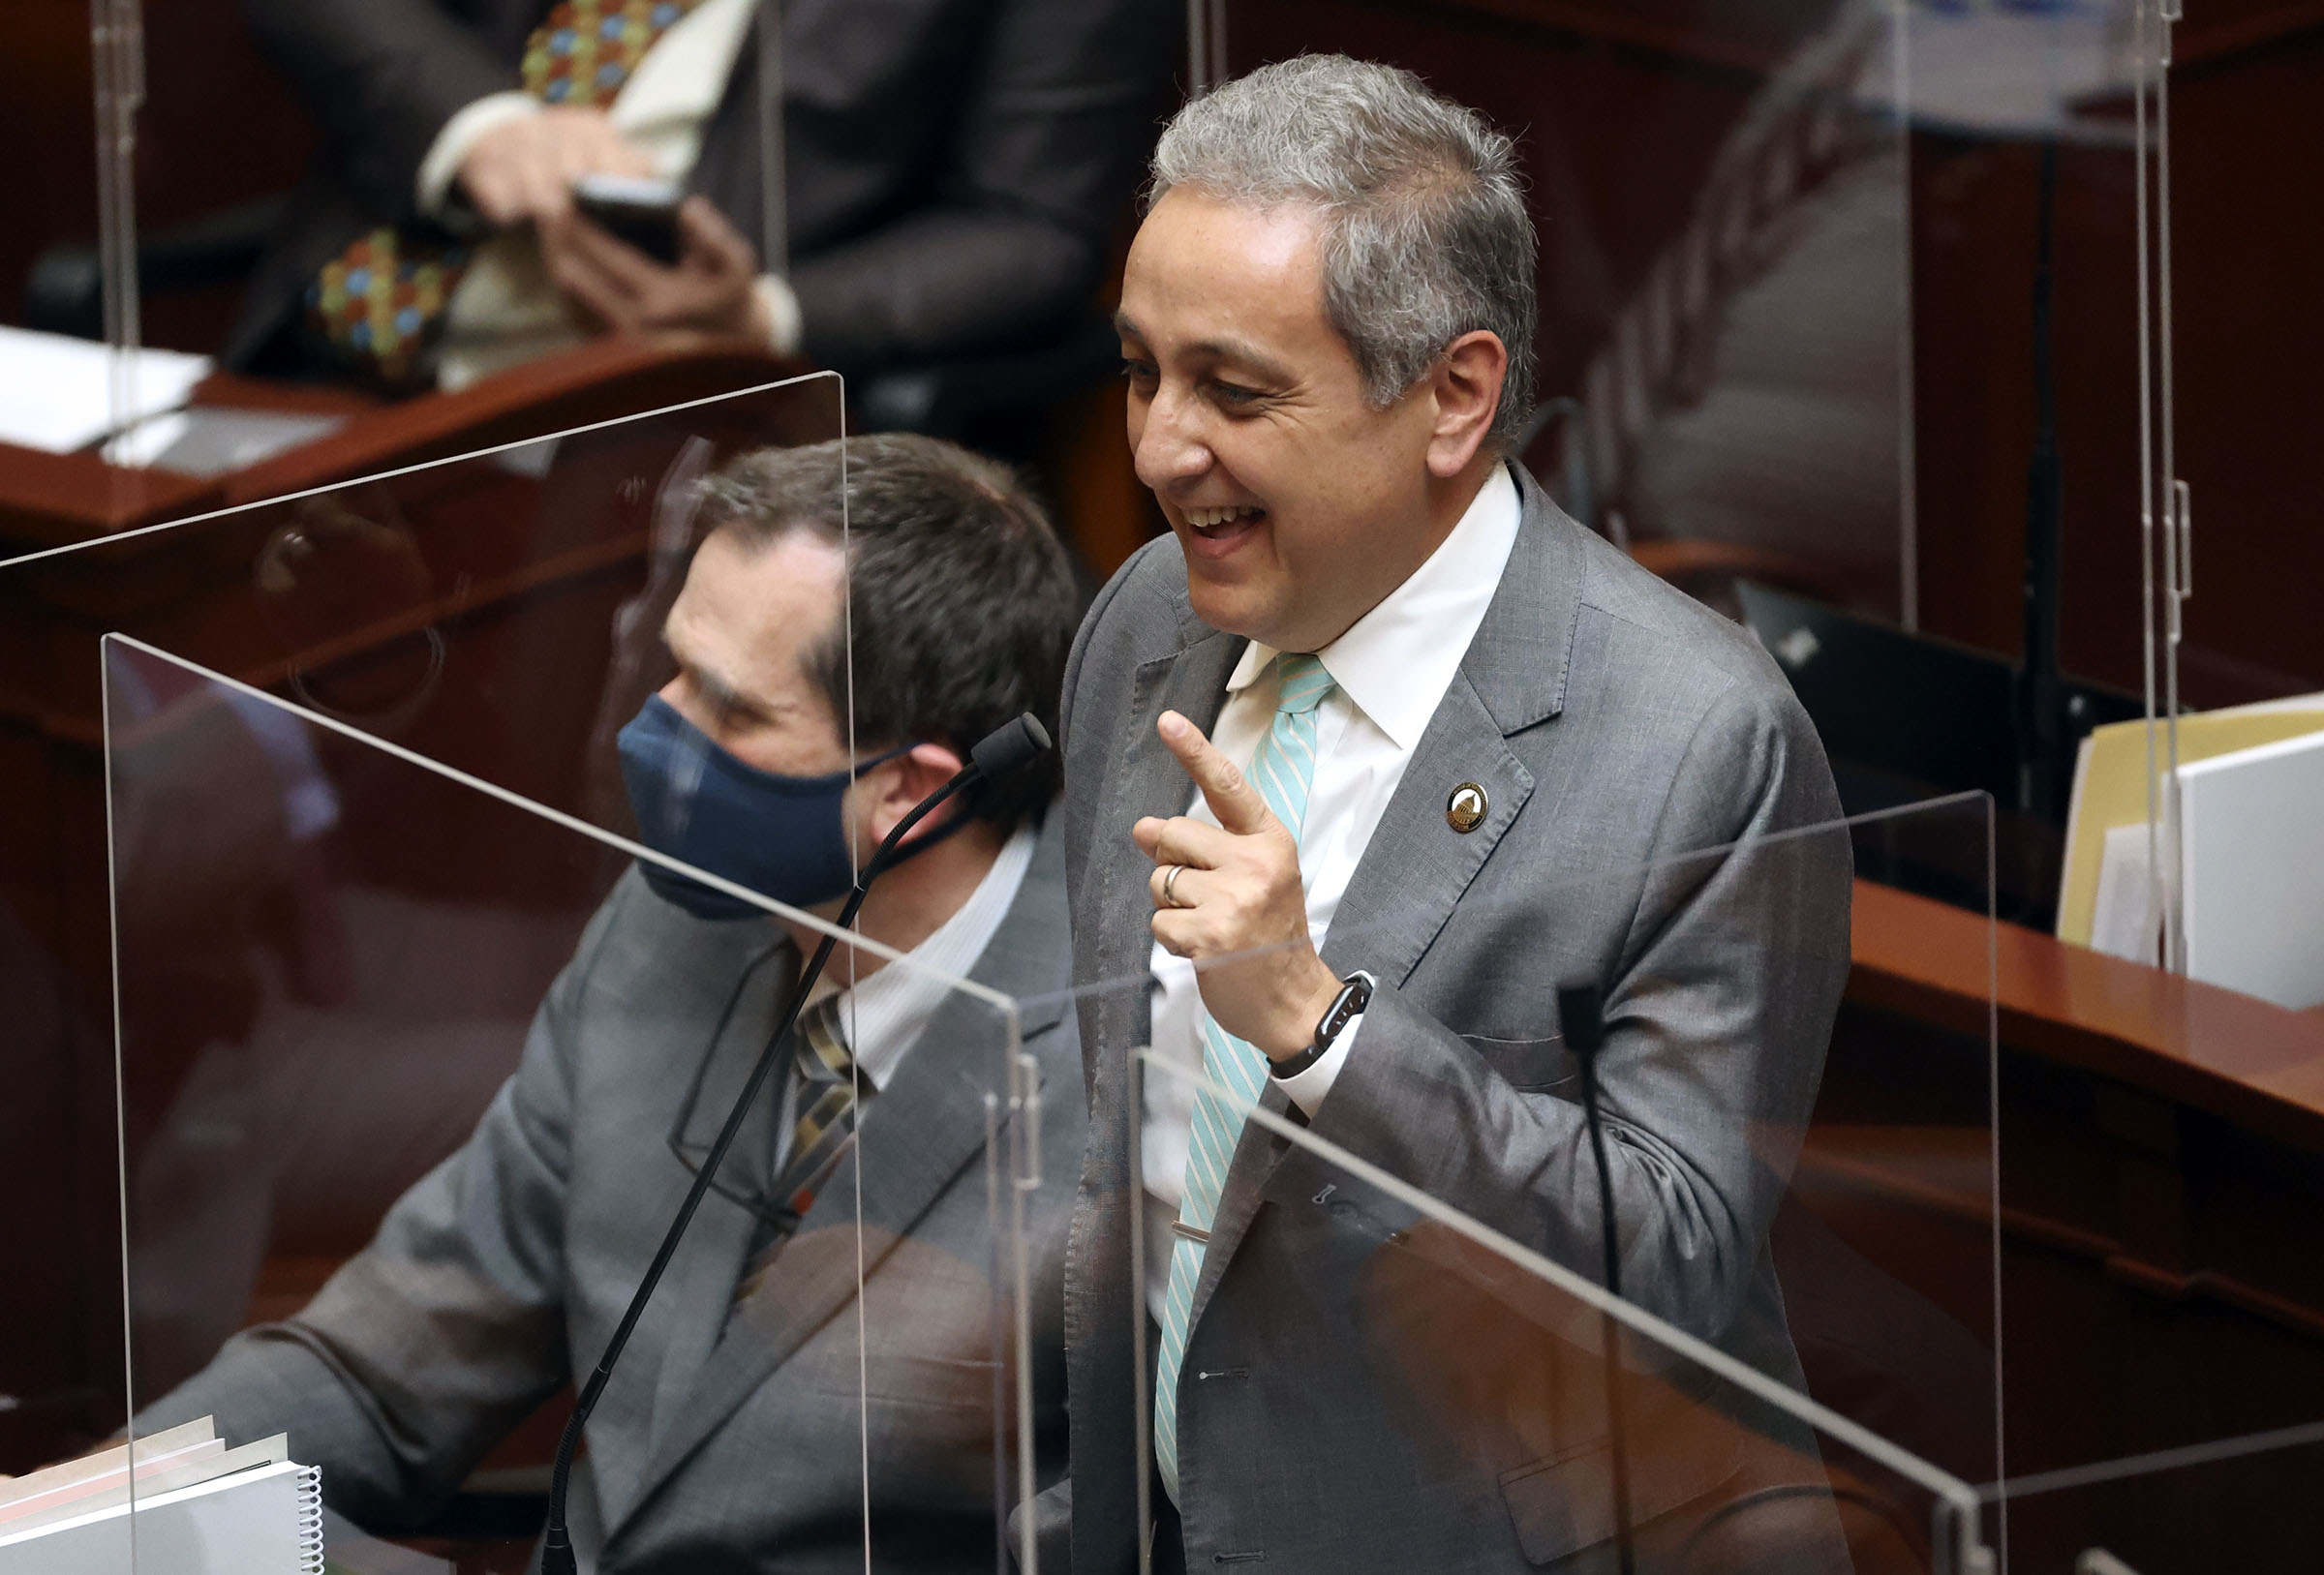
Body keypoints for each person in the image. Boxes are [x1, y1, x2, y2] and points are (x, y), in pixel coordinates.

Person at [1048, 57, 1855, 1571]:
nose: (1160, 446)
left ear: (1455, 394)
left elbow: (1666, 1261)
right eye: (1142, 370)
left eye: (1234, 388)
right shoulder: (1146, 617)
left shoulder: (1694, 737)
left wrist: (1320, 1025)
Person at [135, 433, 1086, 1573]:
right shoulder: (668, 928)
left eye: (728, 712)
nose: (653, 730)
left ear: (913, 794)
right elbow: (385, 1362)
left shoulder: (1115, 1068)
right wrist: (106, 1505)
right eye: (672, 668)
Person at [225, 0, 1177, 388]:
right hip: (315, 369)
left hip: (654, 430)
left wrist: (764, 318)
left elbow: (1030, 228)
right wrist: (476, 125)